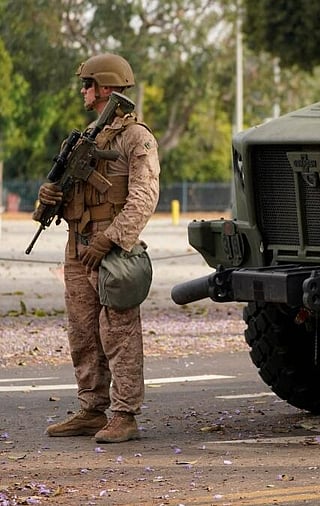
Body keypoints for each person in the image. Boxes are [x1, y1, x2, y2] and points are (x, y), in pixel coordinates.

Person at [38, 53, 160, 443]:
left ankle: (124, 414)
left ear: (106, 87)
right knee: (83, 332)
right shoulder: (83, 139)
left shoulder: (136, 138)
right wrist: (48, 198)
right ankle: (92, 409)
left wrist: (111, 239)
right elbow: (60, 199)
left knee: (119, 332)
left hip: (113, 249)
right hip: (77, 245)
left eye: (88, 84)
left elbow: (144, 196)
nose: (83, 91)